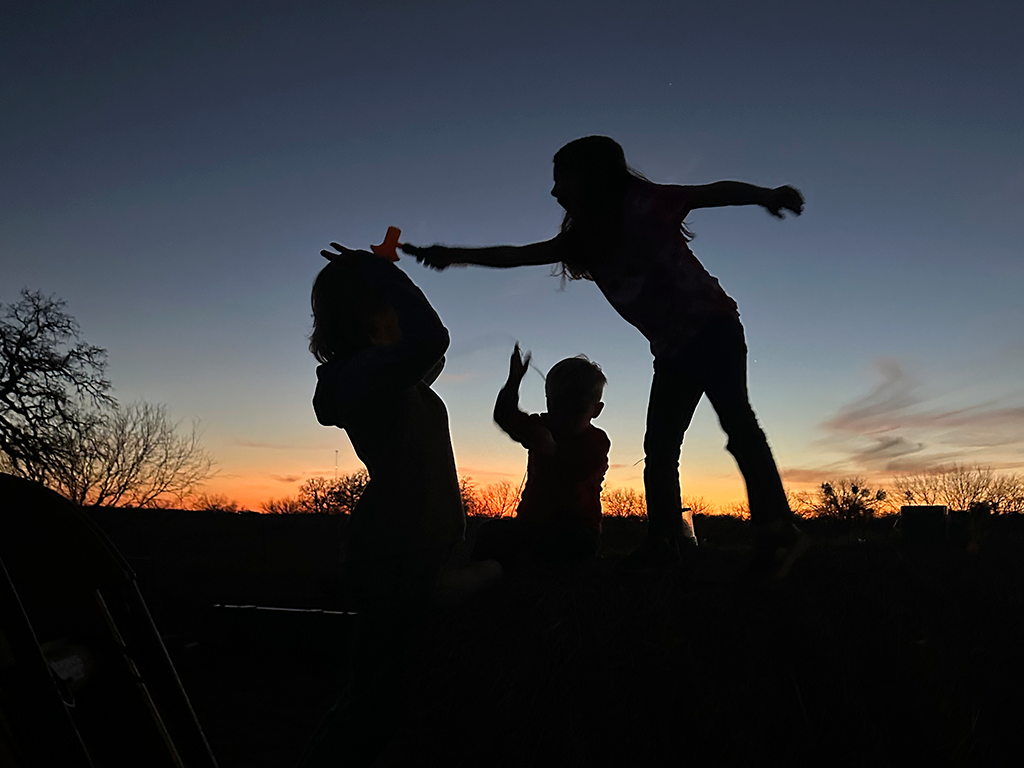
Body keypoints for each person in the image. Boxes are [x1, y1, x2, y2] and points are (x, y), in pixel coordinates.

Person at [402, 135, 808, 578]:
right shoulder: (584, 241)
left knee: (737, 424)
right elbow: (516, 256)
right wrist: (451, 256)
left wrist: (766, 195)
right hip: (672, 351)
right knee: (661, 446)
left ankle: (778, 530)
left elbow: (713, 192)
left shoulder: (647, 202)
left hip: (714, 330)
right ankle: (665, 540)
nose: (556, 193)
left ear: (592, 178)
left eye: (563, 182)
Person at [300, 244, 466, 767]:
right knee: (373, 706)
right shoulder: (362, 377)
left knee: (387, 697)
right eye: (390, 308)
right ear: (371, 319)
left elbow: (431, 351)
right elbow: (431, 338)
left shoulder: (389, 377)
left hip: (416, 546)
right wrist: (377, 270)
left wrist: (379, 275)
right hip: (396, 550)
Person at [472, 344, 610, 570]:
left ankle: (518, 566)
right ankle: (498, 568)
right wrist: (514, 380)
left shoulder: (598, 441)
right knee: (489, 531)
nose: (565, 415)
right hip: (531, 525)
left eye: (576, 408)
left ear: (596, 410)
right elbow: (505, 416)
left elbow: (582, 470)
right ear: (548, 401)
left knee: (580, 544)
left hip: (578, 530)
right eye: (558, 405)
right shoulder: (541, 426)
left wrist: (553, 450)